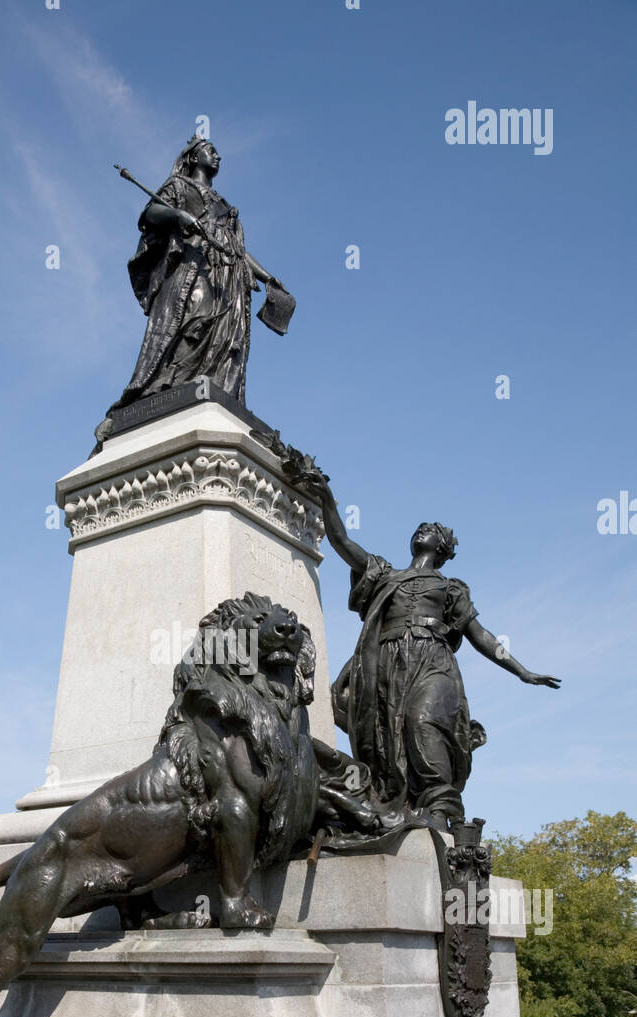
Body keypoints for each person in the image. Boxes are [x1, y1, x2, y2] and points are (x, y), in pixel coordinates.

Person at [303, 474, 561, 829]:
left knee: (422, 724)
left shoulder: (449, 588)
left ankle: (442, 808)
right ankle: (402, 803)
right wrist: (327, 497)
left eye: (431, 529)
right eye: (421, 527)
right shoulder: (385, 575)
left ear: (443, 548)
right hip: (388, 662)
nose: (422, 529)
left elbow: (479, 633)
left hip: (433, 661)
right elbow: (342, 540)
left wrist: (521, 670)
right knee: (388, 738)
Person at [113, 136, 285, 410]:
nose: (218, 157)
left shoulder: (225, 206)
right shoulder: (178, 186)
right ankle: (170, 382)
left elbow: (237, 249)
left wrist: (266, 277)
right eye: (211, 151)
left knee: (225, 339)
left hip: (227, 279)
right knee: (194, 321)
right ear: (193, 157)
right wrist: (178, 216)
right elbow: (151, 214)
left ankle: (210, 385)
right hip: (193, 269)